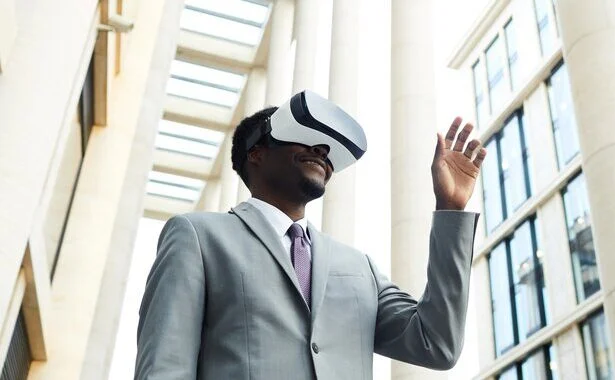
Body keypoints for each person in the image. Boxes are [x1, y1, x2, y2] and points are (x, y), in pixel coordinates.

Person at [134, 94, 487, 379]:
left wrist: (450, 211)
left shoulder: (358, 266)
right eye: (304, 138)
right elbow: (165, 366)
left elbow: (436, 343)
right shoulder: (198, 237)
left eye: (328, 148)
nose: (322, 150)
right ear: (256, 153)